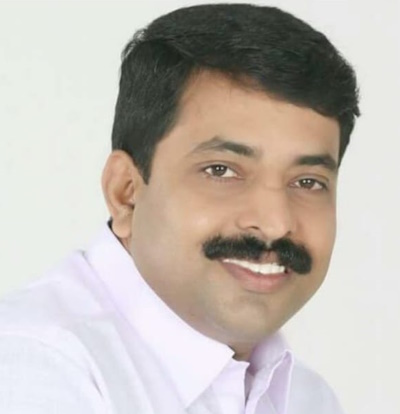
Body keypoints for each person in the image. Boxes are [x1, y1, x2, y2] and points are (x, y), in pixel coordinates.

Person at [0, 3, 359, 414]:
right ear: (126, 192)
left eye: (308, 182)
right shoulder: (31, 367)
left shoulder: (306, 398)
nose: (275, 223)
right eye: (221, 170)